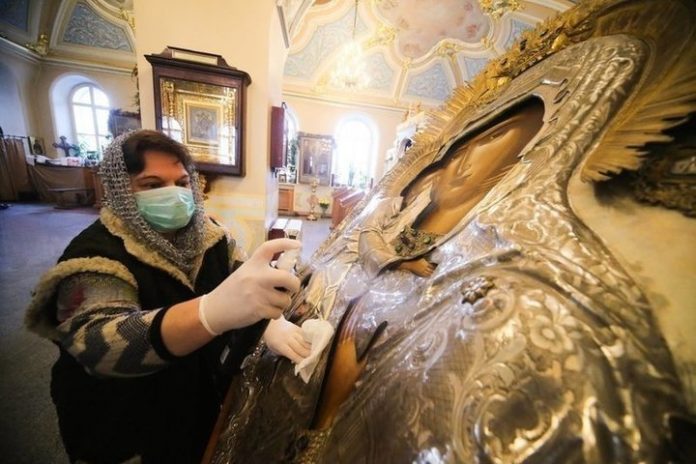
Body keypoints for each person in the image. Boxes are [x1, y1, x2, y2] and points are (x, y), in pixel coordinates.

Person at [25, 130, 310, 463]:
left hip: (194, 404)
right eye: (152, 185)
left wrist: (268, 320)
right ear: (120, 190)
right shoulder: (94, 255)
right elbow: (99, 346)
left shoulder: (212, 236)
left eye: (182, 182)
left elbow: (246, 278)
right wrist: (209, 313)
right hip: (122, 425)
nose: (173, 194)